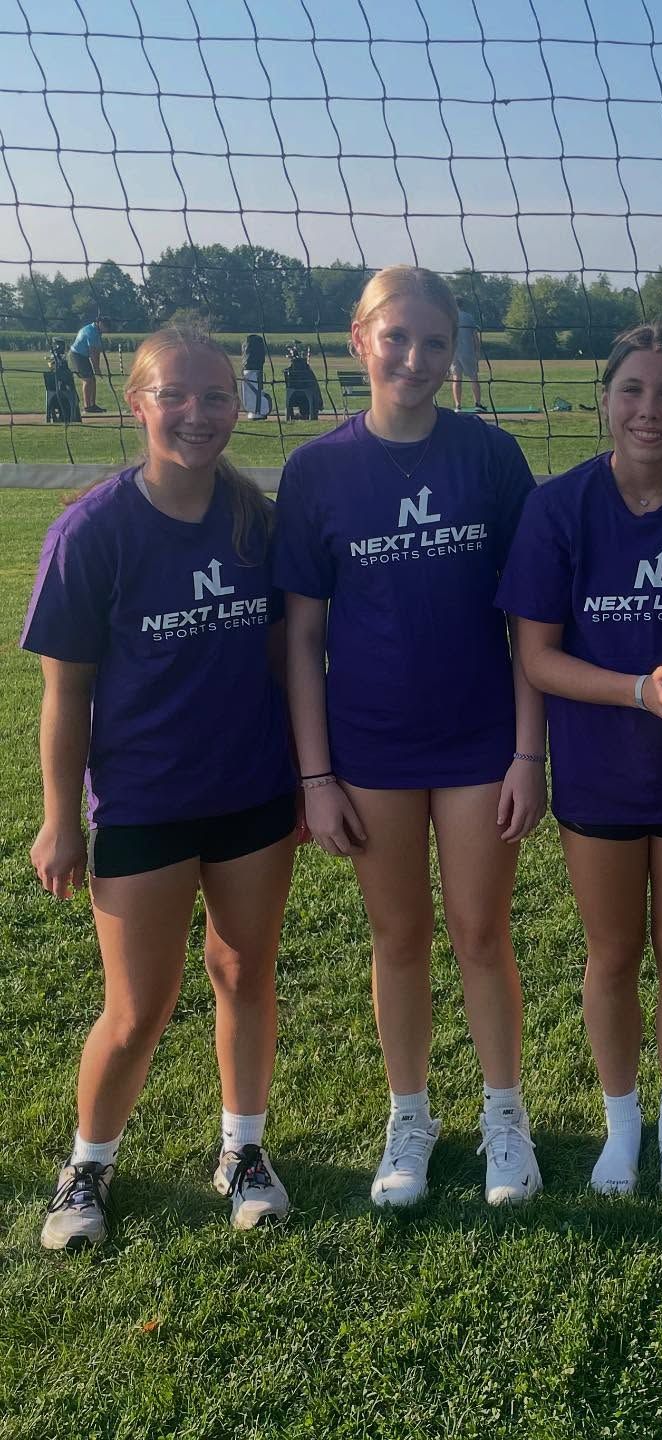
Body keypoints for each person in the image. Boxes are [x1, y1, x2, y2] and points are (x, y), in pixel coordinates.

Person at [275, 265, 547, 1210]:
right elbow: (301, 637)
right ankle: (411, 1116)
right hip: (371, 749)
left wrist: (527, 753)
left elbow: (529, 622)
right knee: (398, 935)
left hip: (478, 744)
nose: (416, 359)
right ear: (361, 341)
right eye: (398, 339)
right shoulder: (317, 470)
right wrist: (316, 775)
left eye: (436, 343)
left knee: (480, 931)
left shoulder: (490, 456)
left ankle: (505, 1118)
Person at [24, 326, 299, 1249]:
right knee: (139, 1007)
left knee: (243, 972)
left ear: (238, 404)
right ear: (135, 403)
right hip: (142, 802)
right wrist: (61, 819)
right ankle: (87, 1167)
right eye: (174, 396)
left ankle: (243, 1150)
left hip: (253, 794)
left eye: (215, 396)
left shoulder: (257, 522)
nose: (197, 413)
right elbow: (67, 693)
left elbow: (278, 661)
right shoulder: (93, 531)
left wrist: (304, 779)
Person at [500, 323, 662, 1197]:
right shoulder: (559, 506)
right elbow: (535, 657)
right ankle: (621, 1128)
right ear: (605, 398)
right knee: (611, 955)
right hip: (599, 769)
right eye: (632, 391)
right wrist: (639, 693)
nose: (649, 411)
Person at [69, 314, 111, 414]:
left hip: (83, 356)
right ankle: (87, 407)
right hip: (77, 355)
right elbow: (92, 353)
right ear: (99, 323)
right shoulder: (91, 332)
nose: (107, 328)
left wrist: (97, 368)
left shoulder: (97, 331)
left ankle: (92, 405)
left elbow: (97, 352)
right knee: (88, 380)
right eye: (105, 326)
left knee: (92, 379)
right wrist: (96, 368)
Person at [450, 308, 483, 411]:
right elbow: (474, 335)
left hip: (454, 352)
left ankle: (458, 405)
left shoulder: (450, 316)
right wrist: (477, 350)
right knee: (474, 377)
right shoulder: (468, 317)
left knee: (456, 378)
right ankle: (477, 404)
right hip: (468, 351)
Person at [242, 333, 271, 419]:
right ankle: (258, 411)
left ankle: (257, 410)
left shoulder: (249, 345)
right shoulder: (257, 344)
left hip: (251, 371)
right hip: (254, 371)